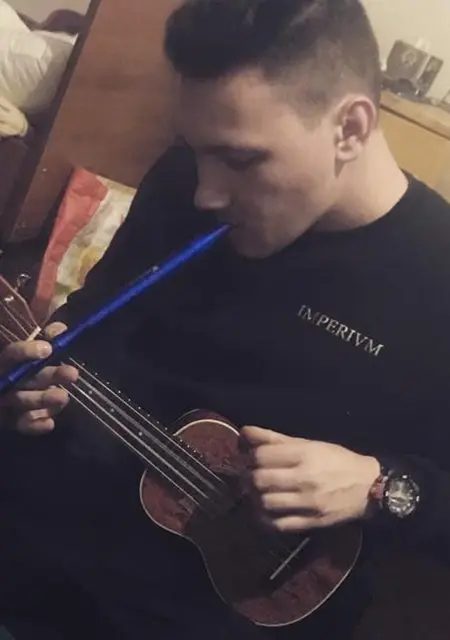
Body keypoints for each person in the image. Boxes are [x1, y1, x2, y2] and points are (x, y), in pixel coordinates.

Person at [1, 0, 450, 638]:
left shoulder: (436, 276)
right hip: (40, 537)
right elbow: (91, 321)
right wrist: (32, 380)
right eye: (196, 150)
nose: (206, 192)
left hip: (201, 612)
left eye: (241, 160)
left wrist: (380, 487)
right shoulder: (182, 179)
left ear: (349, 128)